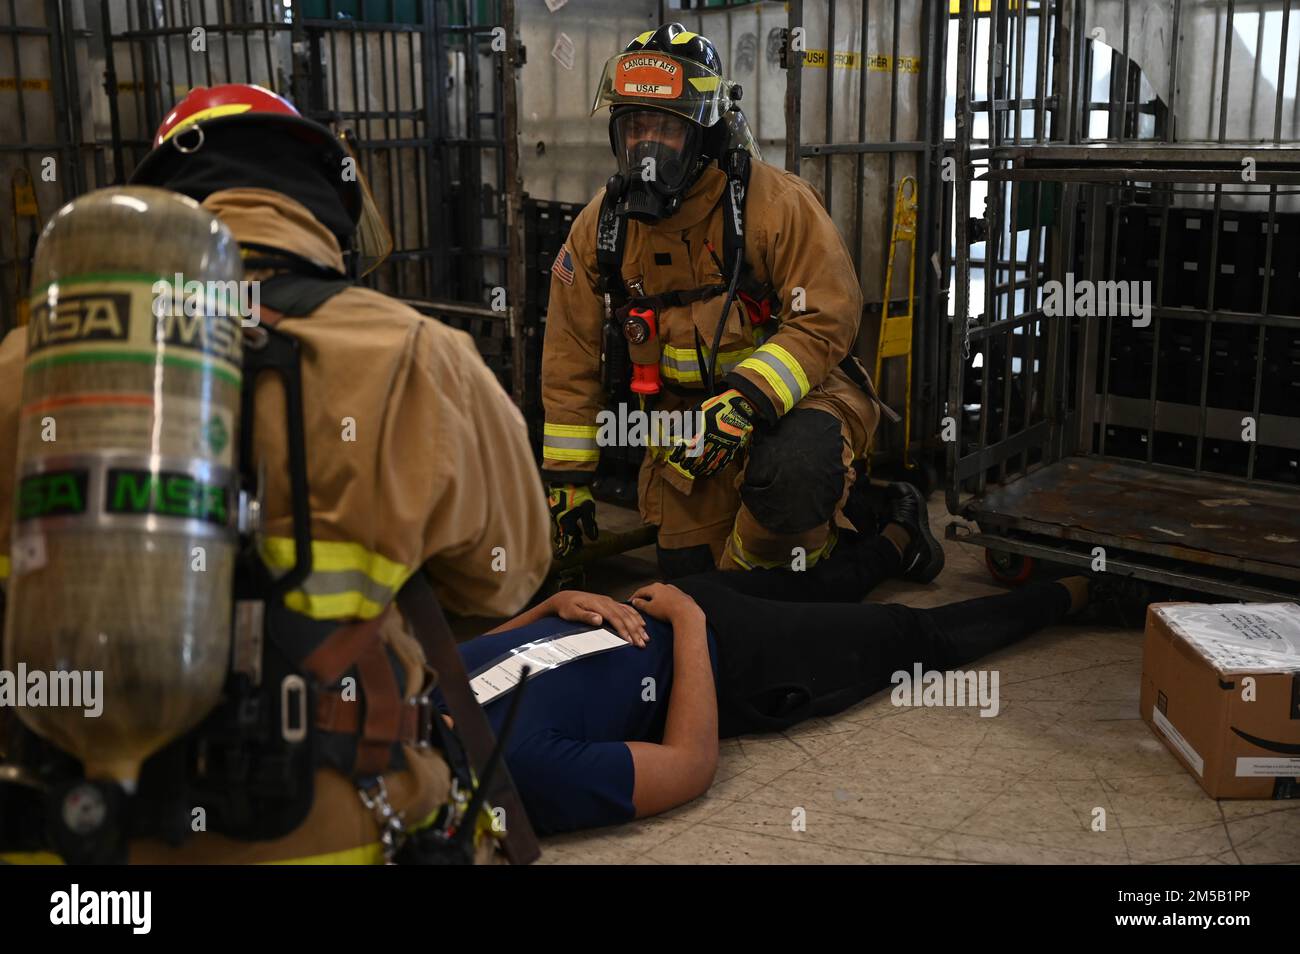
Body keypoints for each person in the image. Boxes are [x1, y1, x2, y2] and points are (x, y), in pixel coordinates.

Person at [0, 84, 552, 863]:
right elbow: (504, 578)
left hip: (68, 845)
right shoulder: (421, 357)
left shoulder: (31, 363)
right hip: (321, 833)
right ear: (322, 197)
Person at [541, 23, 939, 585]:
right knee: (694, 583)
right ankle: (862, 518)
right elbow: (569, 356)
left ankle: (887, 535)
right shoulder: (601, 228)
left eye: (665, 130)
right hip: (688, 435)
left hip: (797, 407)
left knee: (787, 507)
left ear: (705, 134)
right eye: (634, 127)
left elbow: (827, 316)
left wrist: (746, 402)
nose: (645, 149)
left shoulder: (775, 205)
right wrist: (568, 479)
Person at [456, 516, 1098, 835]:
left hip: (669, 605)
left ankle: (899, 539)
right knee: (907, 635)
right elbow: (688, 764)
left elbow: (486, 644)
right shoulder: (523, 774)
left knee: (814, 582)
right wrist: (690, 627)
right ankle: (1079, 595)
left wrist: (552, 605)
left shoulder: (422, 697)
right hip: (723, 658)